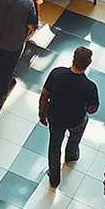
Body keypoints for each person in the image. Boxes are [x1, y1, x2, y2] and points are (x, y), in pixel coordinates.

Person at [39, 46, 99, 188]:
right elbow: (92, 109)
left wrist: (41, 113)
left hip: (55, 117)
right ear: (88, 63)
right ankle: (71, 155)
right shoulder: (90, 86)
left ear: (73, 59)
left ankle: (54, 178)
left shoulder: (57, 73)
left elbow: (44, 94)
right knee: (76, 135)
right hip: (75, 119)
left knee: (54, 145)